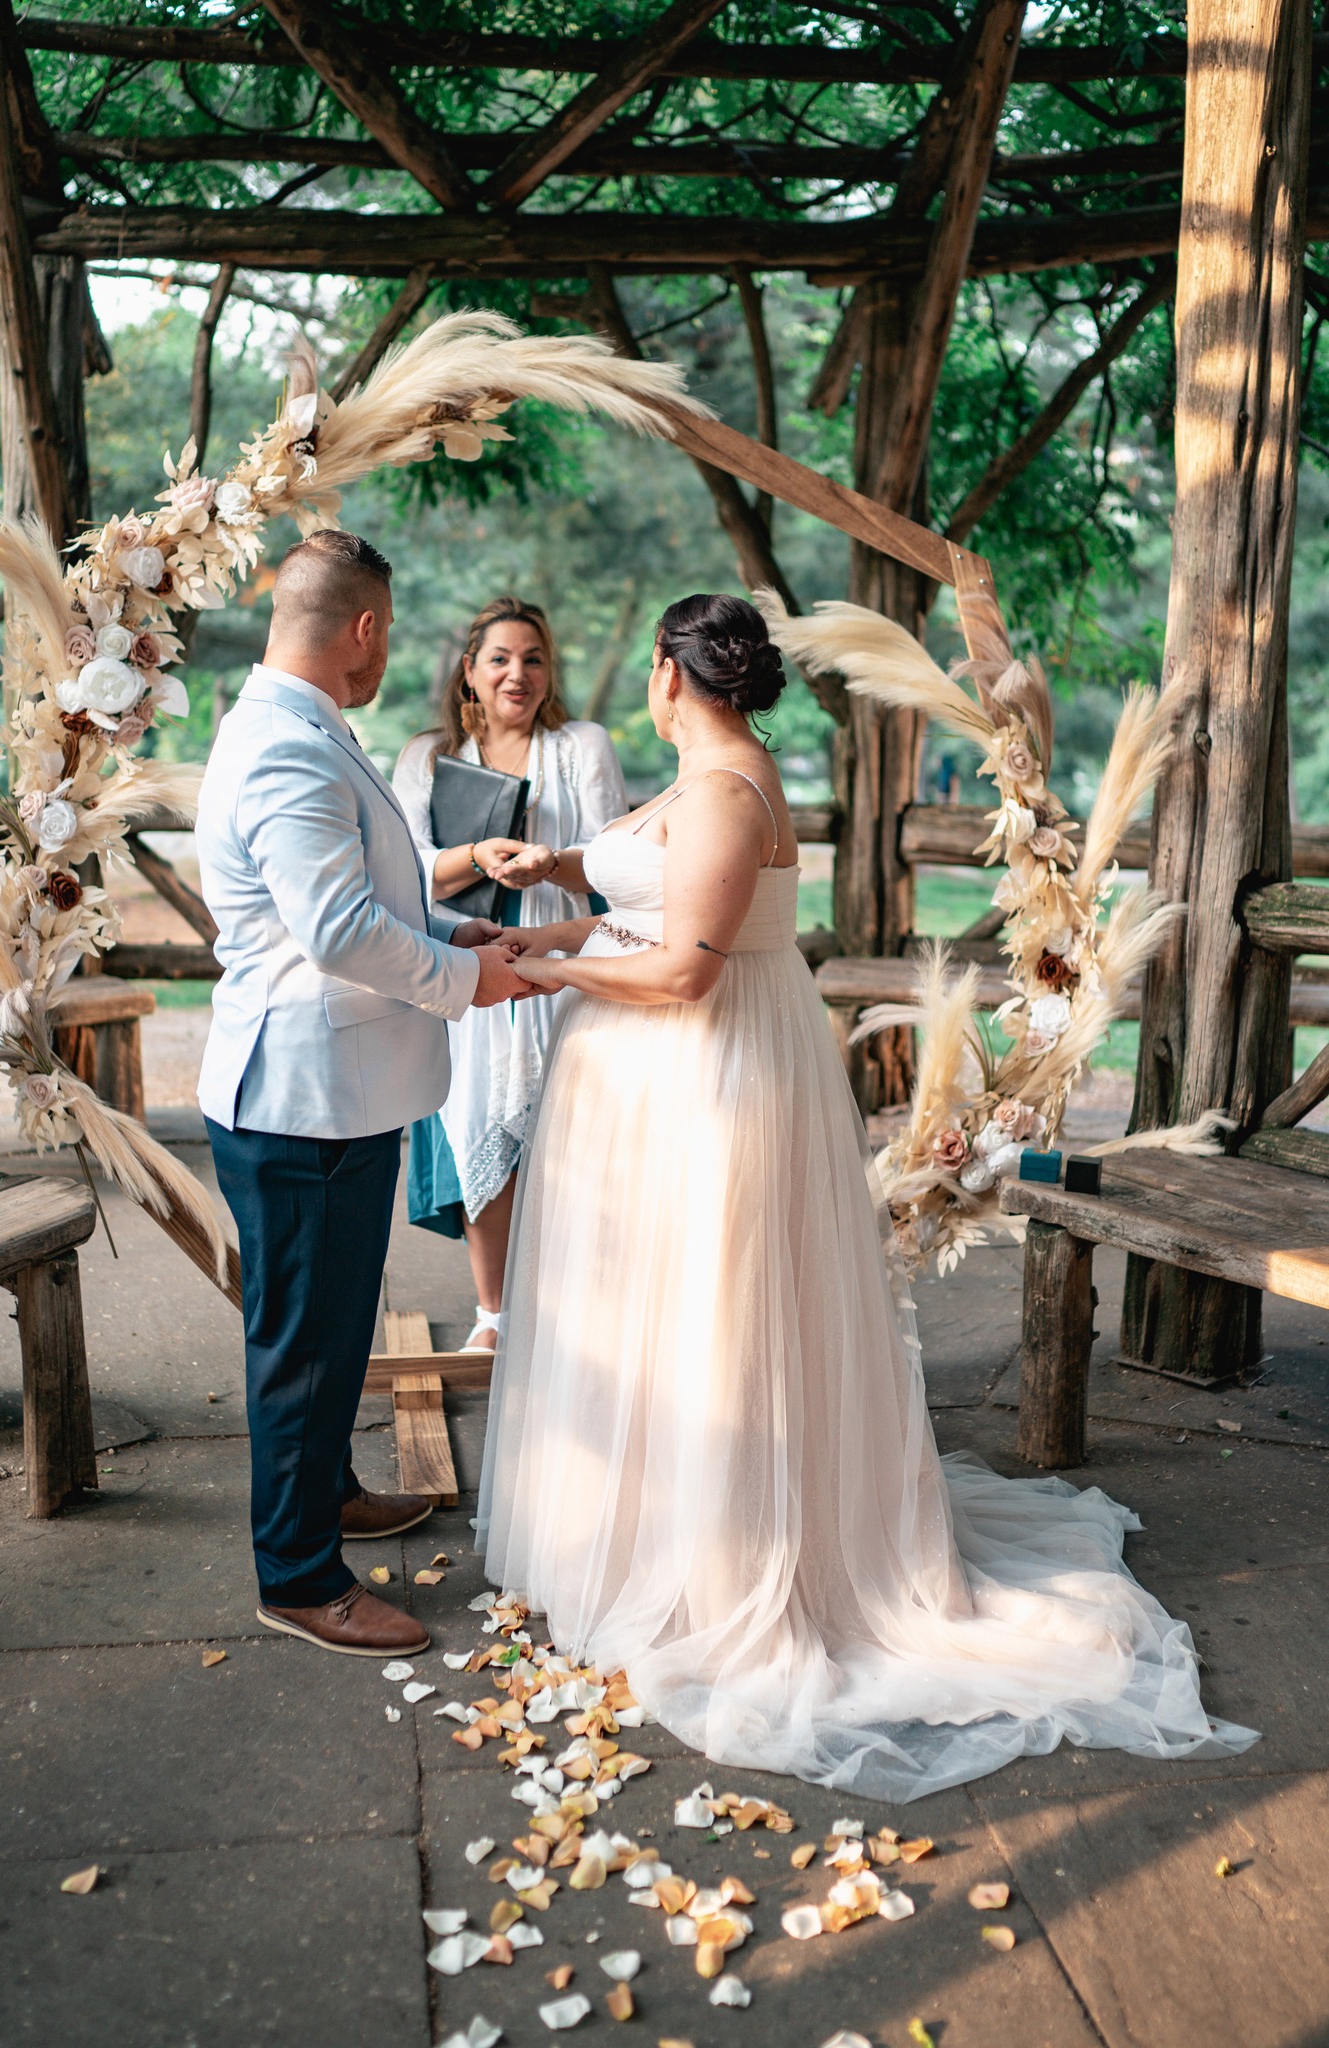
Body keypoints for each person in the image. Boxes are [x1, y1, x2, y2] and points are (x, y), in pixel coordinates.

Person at [477, 592, 1258, 1801]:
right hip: (637, 1086)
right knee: (640, 1311)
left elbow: (684, 970)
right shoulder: (700, 776)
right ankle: (627, 1528)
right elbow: (649, 894)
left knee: (707, 1314)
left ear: (671, 676)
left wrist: (543, 970)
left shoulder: (728, 791)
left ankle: (722, 1553)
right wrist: (560, 880)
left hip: (700, 1077)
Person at [196, 531, 528, 1659]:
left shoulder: (299, 724)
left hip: (335, 1091)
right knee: (302, 1341)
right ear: (365, 627)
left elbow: (364, 887)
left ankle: (327, 1490)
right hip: (300, 1098)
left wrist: (449, 929)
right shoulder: (284, 747)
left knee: (333, 1323)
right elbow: (335, 931)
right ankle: (298, 1576)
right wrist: (466, 981)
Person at [392, 597, 626, 1352]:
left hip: (559, 952)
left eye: (532, 659)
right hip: (466, 951)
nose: (516, 674)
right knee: (476, 1119)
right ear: (470, 670)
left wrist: (549, 862)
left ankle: (579, 1315)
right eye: (499, 659)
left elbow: (613, 862)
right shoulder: (427, 757)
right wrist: (475, 855)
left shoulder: (582, 746)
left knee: (571, 1130)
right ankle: (493, 1314)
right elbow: (404, 870)